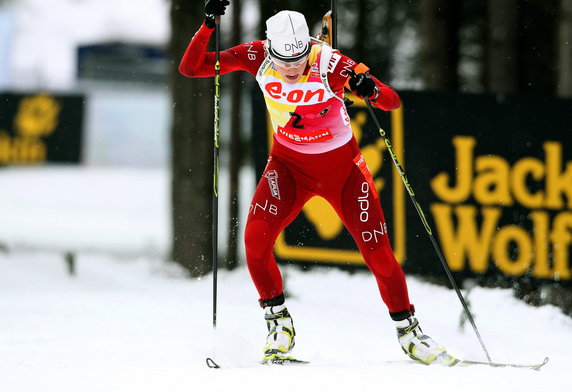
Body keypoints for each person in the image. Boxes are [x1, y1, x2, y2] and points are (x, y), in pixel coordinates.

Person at [179, 0, 456, 366]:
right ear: (270, 50)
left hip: (343, 171)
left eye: (298, 61)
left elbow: (391, 101)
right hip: (288, 167)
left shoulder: (330, 62)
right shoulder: (256, 55)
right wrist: (209, 25)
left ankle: (410, 334)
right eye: (284, 63)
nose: (291, 70)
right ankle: (278, 324)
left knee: (380, 255)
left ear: (308, 47)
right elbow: (191, 67)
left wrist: (367, 87)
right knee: (255, 242)